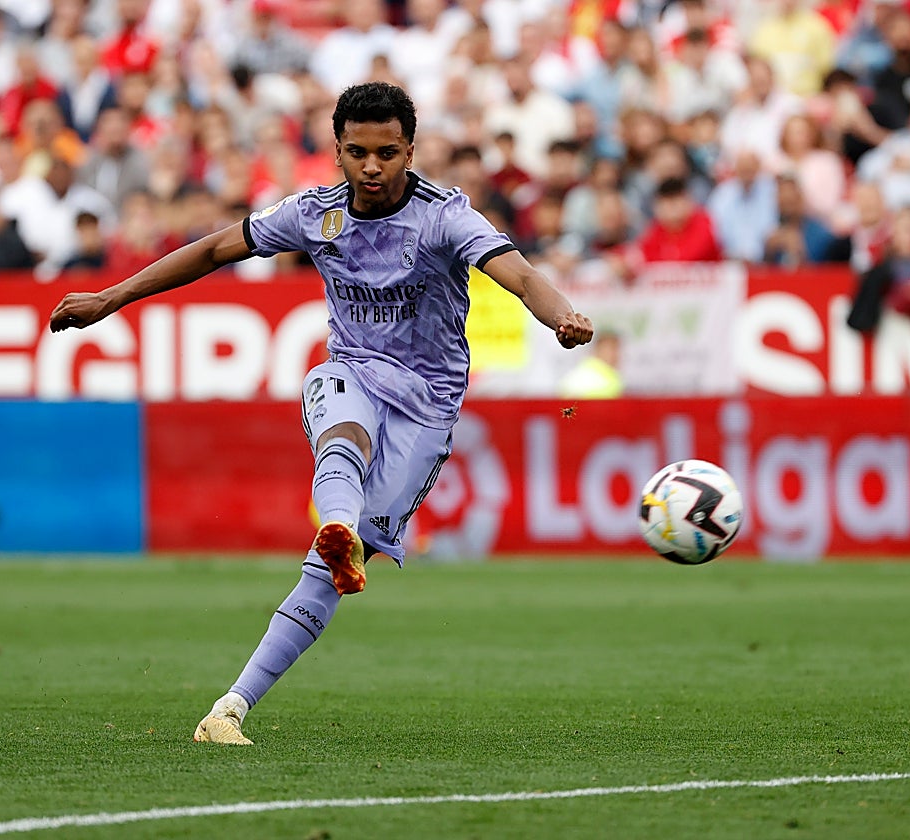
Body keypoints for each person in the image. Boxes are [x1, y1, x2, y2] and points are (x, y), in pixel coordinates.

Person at [48, 82, 594, 745]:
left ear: (410, 151)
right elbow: (215, 249)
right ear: (337, 150)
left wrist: (561, 314)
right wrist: (112, 296)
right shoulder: (312, 213)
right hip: (352, 371)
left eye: (387, 153)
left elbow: (523, 276)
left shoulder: (446, 217)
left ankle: (230, 707)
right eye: (357, 152)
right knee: (341, 432)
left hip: (426, 407)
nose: (372, 167)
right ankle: (334, 527)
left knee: (330, 574)